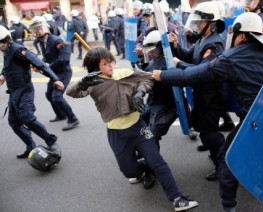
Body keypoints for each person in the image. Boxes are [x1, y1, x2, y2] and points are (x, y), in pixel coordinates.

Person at [152, 12, 263, 212]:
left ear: (242, 35)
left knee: (228, 159)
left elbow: (193, 75)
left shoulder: (231, 57)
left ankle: (229, 207)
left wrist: (163, 75)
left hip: (254, 121)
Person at [66, 47, 198, 212]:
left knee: (157, 161)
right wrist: (81, 82)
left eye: (111, 61)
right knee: (129, 171)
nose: (110, 66)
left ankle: (177, 198)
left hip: (139, 127)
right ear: (95, 67)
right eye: (105, 64)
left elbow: (149, 78)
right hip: (116, 133)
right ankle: (145, 169)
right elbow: (71, 92)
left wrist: (140, 92)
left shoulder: (125, 73)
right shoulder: (92, 83)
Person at [168, 1, 227, 181]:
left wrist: (180, 64)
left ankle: (223, 165)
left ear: (210, 23)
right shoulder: (203, 40)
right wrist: (176, 45)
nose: (196, 25)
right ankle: (214, 151)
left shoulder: (214, 45)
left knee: (210, 132)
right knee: (201, 125)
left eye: (200, 22)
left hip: (213, 95)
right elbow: (190, 56)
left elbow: (203, 70)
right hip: (202, 93)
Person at [0, 25, 63, 159]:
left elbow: (38, 63)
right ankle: (30, 146)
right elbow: (7, 66)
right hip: (13, 92)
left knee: (27, 117)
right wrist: (2, 75)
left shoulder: (18, 50)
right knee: (14, 122)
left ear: (5, 41)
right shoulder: (6, 51)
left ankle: (51, 141)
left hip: (25, 90)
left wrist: (55, 79)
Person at [29, 16, 80, 131]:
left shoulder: (57, 40)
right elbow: (47, 57)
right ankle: (61, 115)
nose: (37, 31)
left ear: (46, 27)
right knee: (49, 95)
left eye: (39, 28)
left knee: (57, 97)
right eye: (34, 29)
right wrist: (39, 65)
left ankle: (73, 118)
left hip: (63, 72)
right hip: (54, 73)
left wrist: (46, 67)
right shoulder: (42, 41)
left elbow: (64, 60)